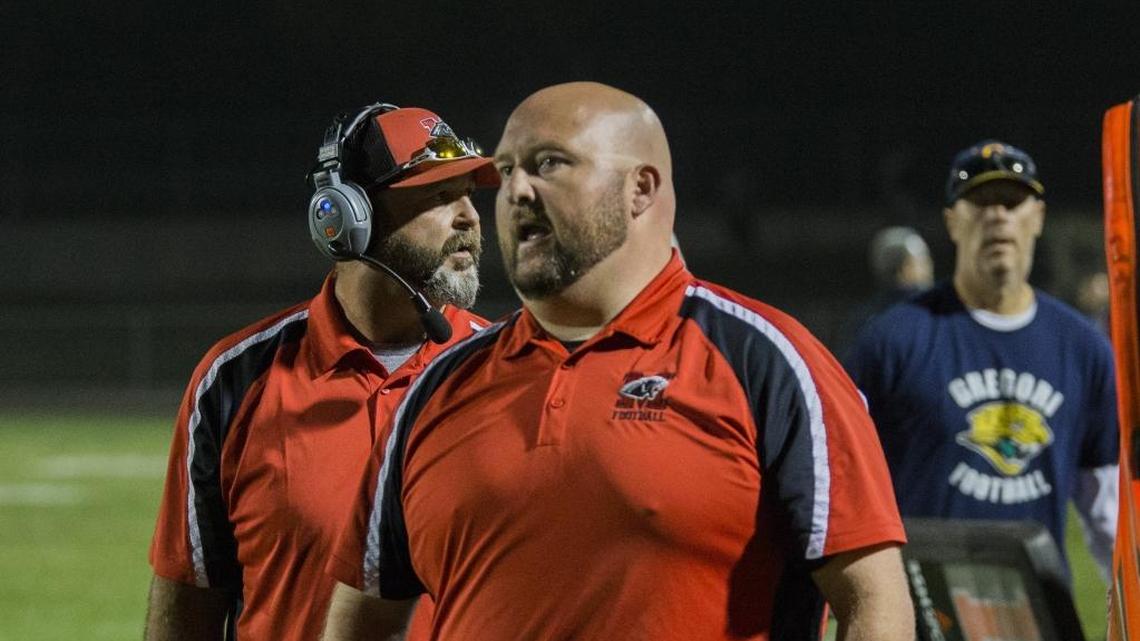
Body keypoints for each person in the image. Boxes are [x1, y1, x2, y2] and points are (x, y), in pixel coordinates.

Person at [322, 82, 914, 641]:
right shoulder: (440, 389)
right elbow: (361, 617)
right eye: (506, 172)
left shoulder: (769, 363)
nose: (516, 192)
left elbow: (875, 604)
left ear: (642, 189)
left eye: (549, 163)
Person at [144, 101, 498, 640]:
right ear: (347, 217)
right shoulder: (235, 380)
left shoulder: (503, 369)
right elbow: (187, 608)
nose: (470, 217)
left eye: (468, 194)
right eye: (439, 195)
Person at [845, 140, 1119, 581]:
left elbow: (1107, 512)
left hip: (1038, 617)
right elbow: (844, 489)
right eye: (980, 202)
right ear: (953, 222)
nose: (997, 216)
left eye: (1012, 202)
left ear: (1038, 218)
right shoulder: (892, 341)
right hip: (927, 614)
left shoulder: (1083, 348)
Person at [837, 226, 934, 353]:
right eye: (923, 262)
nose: (930, 267)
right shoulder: (935, 315)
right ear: (905, 269)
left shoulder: (863, 318)